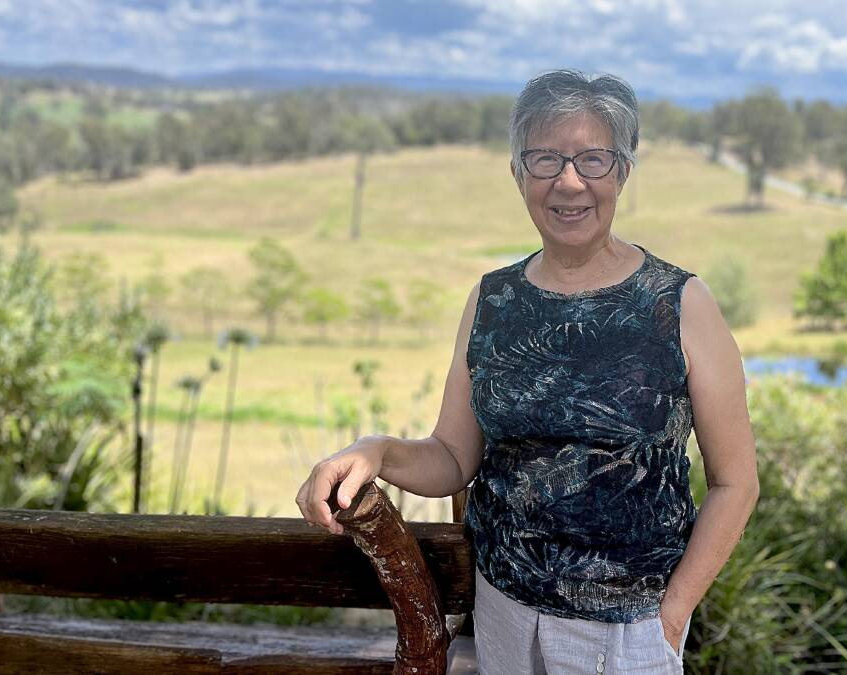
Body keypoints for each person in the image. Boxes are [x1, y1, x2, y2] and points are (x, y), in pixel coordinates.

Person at [296, 69, 759, 674]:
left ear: (622, 172)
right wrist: (375, 451)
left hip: (629, 631)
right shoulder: (494, 299)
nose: (569, 182)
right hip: (505, 616)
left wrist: (669, 619)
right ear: (518, 175)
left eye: (593, 160)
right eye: (545, 160)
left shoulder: (680, 303)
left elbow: (735, 482)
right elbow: (453, 459)